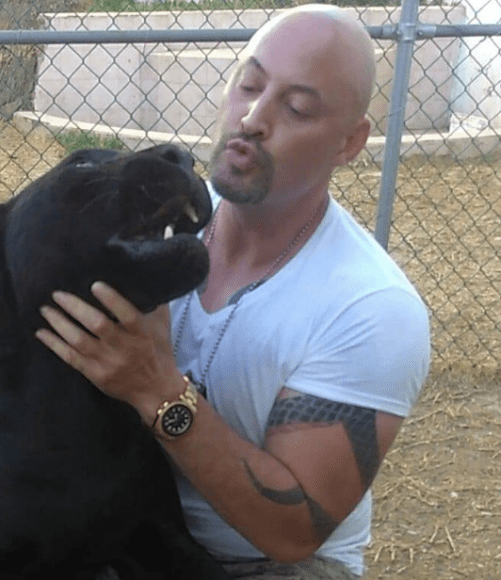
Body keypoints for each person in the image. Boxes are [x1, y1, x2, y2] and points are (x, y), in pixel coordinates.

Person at [35, 4, 431, 579]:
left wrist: (156, 388)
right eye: (249, 84)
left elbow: (293, 532)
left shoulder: (372, 309)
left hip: (263, 563)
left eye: (296, 108)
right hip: (125, 528)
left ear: (349, 142)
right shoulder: (161, 218)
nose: (252, 117)